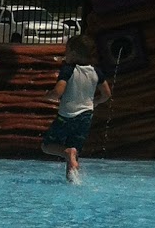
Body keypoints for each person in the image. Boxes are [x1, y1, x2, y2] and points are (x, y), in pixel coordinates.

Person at [40, 33, 110, 181]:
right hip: (86, 116)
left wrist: (47, 95)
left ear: (73, 53)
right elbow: (106, 94)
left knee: (47, 146)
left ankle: (67, 154)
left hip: (67, 116)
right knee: (74, 150)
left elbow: (58, 92)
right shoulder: (96, 71)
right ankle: (72, 181)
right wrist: (95, 101)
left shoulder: (68, 69)